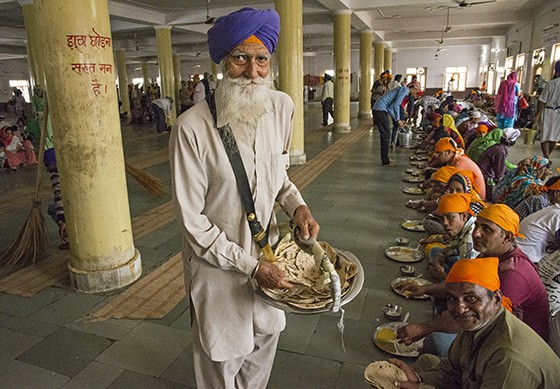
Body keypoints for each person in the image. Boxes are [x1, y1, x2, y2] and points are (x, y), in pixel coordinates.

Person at [169, 8, 320, 388]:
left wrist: (296, 205)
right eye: (240, 58)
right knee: (222, 357)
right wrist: (250, 267)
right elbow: (192, 222)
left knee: (265, 342)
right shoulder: (191, 129)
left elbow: (276, 175)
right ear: (222, 62)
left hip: (269, 256)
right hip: (217, 269)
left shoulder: (281, 107)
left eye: (261, 59)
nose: (252, 71)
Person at [390, 257, 560, 389]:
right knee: (426, 362)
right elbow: (452, 370)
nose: (460, 308)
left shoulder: (509, 357)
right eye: (452, 299)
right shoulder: (476, 324)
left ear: (496, 299)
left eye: (471, 298)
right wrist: (418, 380)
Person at [372, 83, 419, 166]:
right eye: (416, 91)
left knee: (385, 135)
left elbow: (390, 108)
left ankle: (385, 159)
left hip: (378, 109)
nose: (415, 94)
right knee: (386, 135)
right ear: (413, 89)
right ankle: (385, 161)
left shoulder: (402, 90)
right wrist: (398, 119)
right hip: (380, 110)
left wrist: (397, 119)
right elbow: (396, 105)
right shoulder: (405, 90)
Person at [476, 128, 520, 196]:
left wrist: (511, 172)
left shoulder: (498, 147)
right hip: (483, 177)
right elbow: (499, 174)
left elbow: (502, 166)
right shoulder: (500, 151)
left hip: (481, 173)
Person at [534, 61, 560, 159]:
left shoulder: (551, 83)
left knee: (545, 136)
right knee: (554, 136)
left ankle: (546, 156)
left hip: (548, 112)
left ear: (556, 71)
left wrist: (537, 115)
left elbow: (542, 101)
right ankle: (547, 156)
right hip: (558, 114)